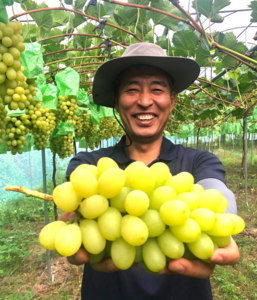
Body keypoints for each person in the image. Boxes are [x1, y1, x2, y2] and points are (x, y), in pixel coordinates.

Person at [61, 43, 240, 300]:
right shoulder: (89, 167)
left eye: (157, 89)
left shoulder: (200, 161)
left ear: (172, 100)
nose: (145, 101)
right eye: (132, 89)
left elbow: (218, 197)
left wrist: (223, 219)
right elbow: (75, 215)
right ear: (116, 101)